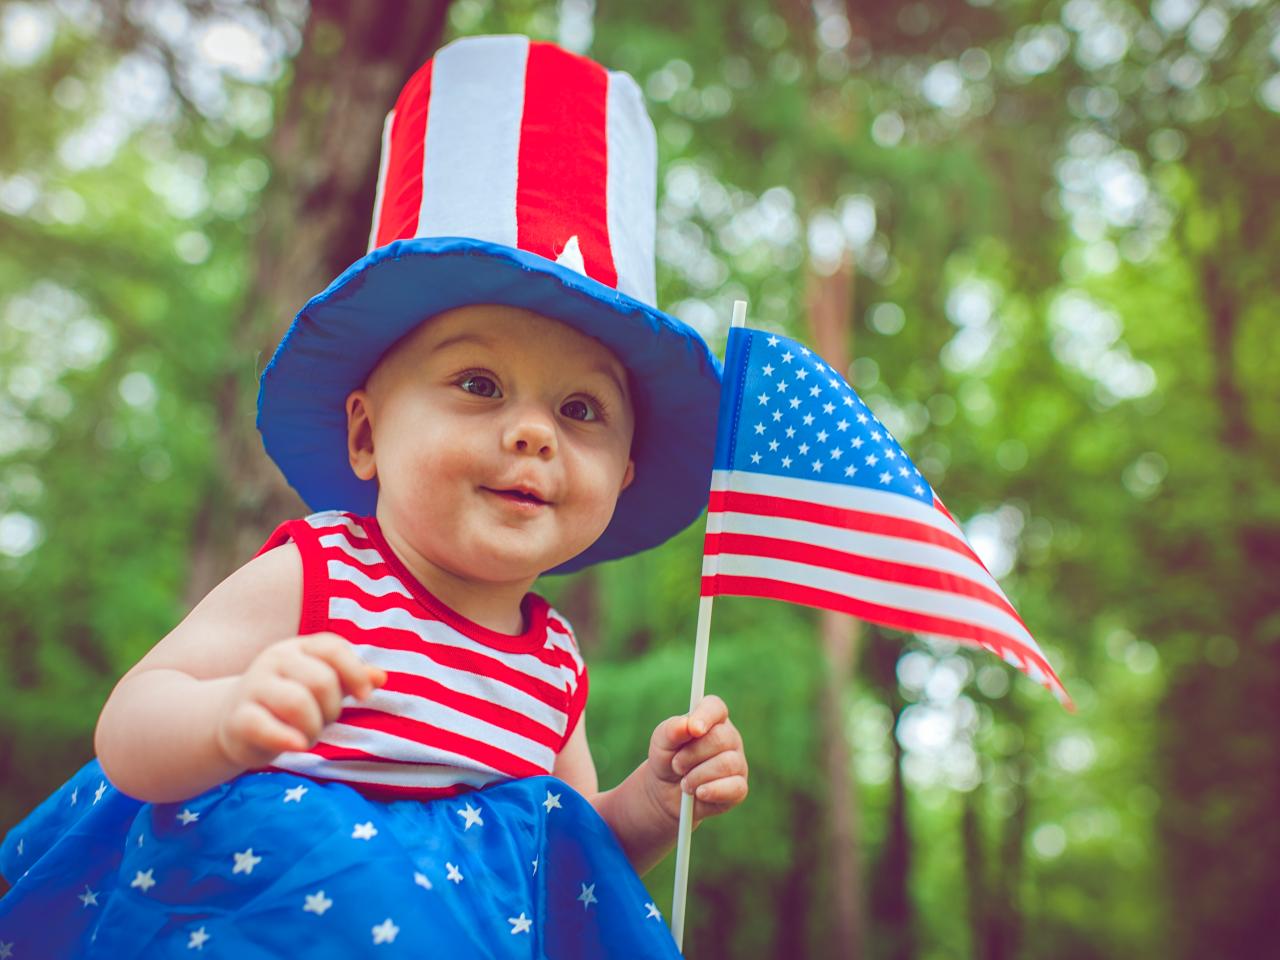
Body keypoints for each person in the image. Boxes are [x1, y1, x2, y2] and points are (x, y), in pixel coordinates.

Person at [0, 35, 749, 958]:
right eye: (478, 383)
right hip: (273, 917)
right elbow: (129, 728)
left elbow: (560, 859)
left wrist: (650, 805)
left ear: (624, 473)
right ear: (365, 434)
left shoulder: (552, 660)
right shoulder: (324, 575)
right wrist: (227, 717)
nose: (533, 432)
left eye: (583, 408)